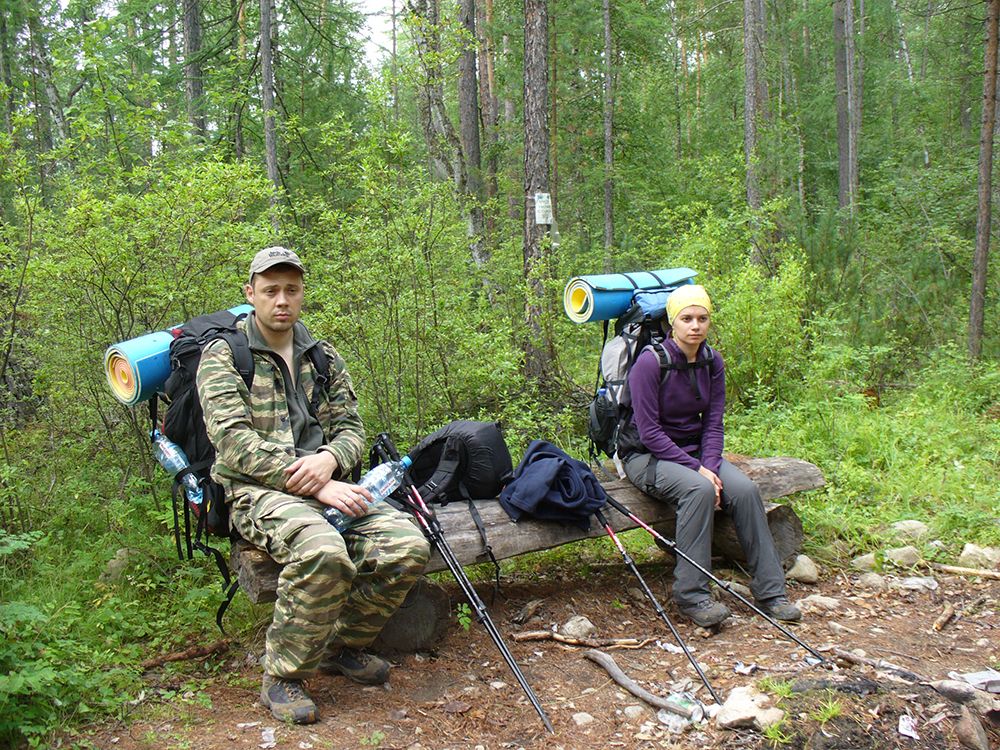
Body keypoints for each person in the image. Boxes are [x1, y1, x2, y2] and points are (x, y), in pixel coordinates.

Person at [197, 246, 430, 724]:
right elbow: (232, 443)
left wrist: (329, 458)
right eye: (270, 290)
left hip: (330, 481)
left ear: (302, 294)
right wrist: (313, 482)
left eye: (291, 290)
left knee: (408, 545)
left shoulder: (322, 356)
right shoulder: (225, 357)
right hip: (258, 490)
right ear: (251, 294)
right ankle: (282, 675)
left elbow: (352, 429)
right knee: (322, 552)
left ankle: (342, 646)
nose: (281, 300)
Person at [619, 284, 801, 629]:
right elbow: (649, 433)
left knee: (745, 491)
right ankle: (692, 595)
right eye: (687, 318)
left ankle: (771, 592)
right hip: (645, 457)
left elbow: (713, 424)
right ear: (673, 323)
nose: (695, 325)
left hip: (695, 454)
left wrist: (710, 466)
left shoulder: (711, 361)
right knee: (698, 490)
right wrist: (699, 471)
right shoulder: (649, 363)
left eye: (702, 318)